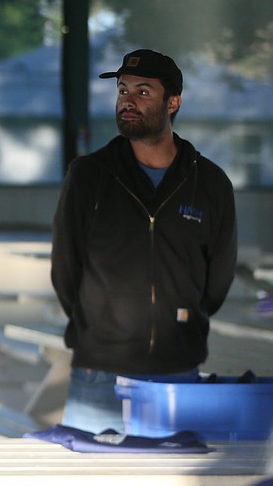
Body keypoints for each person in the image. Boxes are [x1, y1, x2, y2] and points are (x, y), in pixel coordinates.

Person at [51, 48, 237, 433]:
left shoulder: (210, 183)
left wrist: (179, 324)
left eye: (143, 92)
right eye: (122, 90)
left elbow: (217, 278)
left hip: (177, 373)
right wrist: (100, 328)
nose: (128, 101)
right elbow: (65, 269)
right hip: (99, 375)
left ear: (173, 103)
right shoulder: (88, 176)